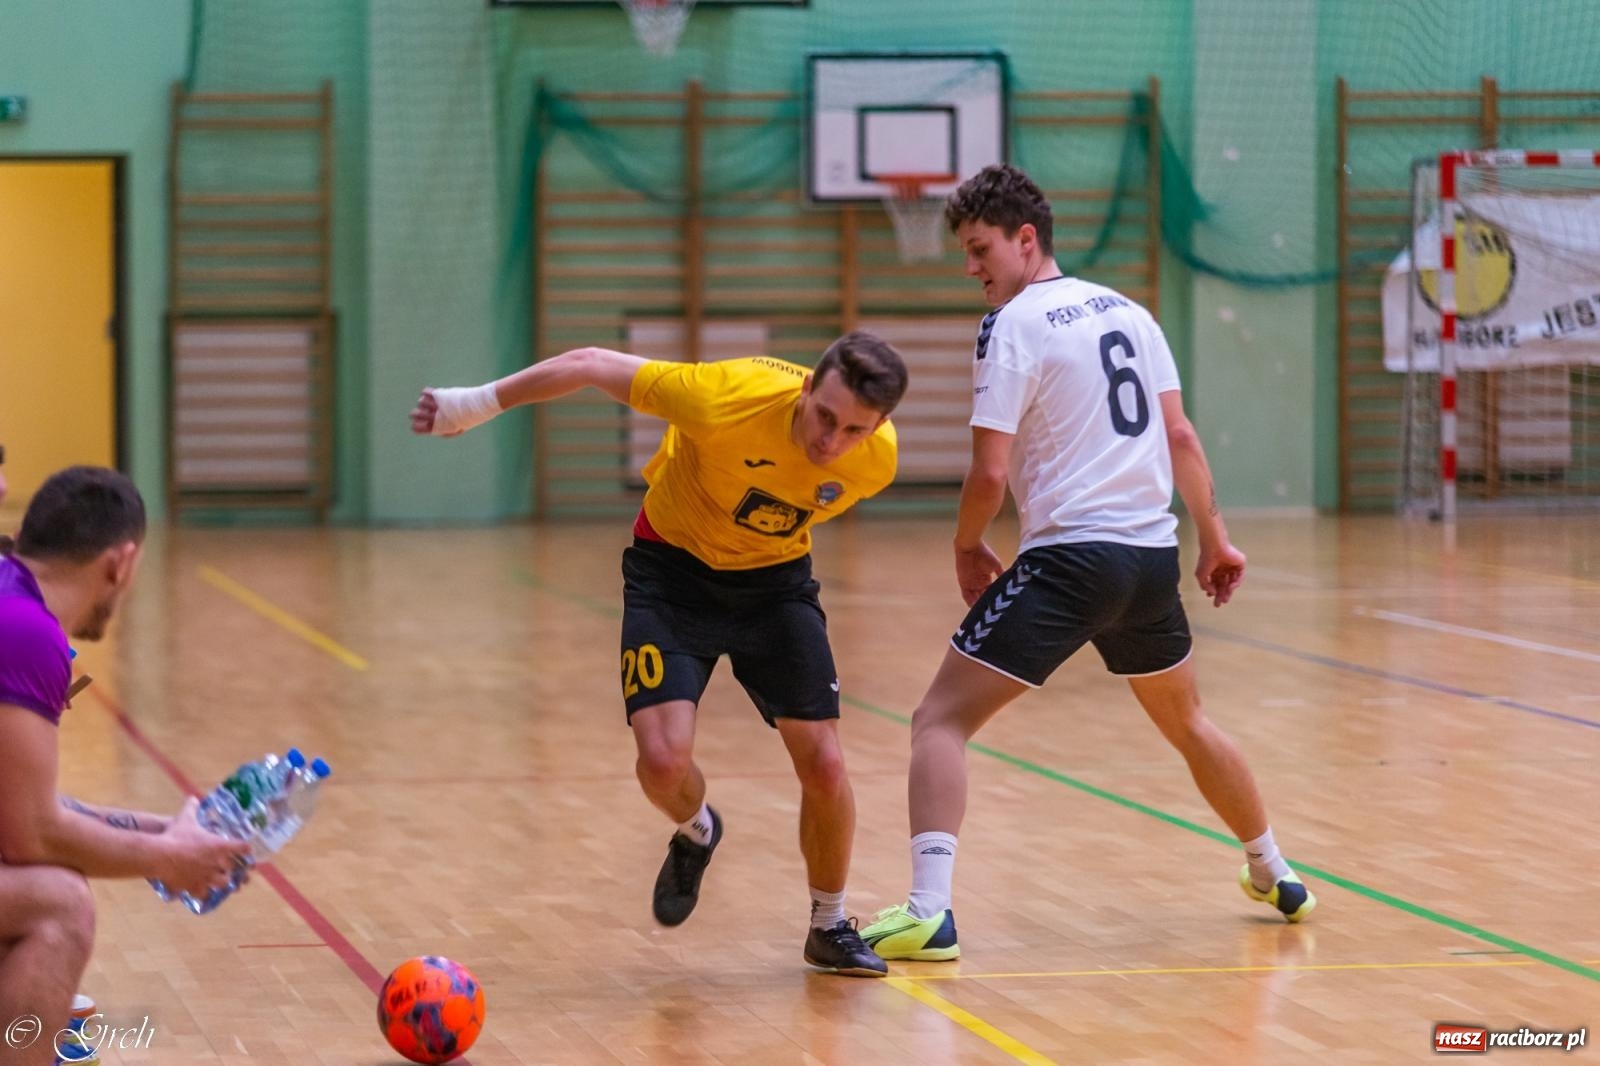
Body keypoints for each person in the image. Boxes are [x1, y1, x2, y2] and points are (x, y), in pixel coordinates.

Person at [860, 164, 1316, 963]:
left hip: (1071, 558)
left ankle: (930, 911)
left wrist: (967, 544)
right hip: (1148, 560)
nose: (972, 268)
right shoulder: (1132, 313)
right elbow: (1179, 437)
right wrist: (1215, 539)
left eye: (979, 249)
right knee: (1189, 722)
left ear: (1025, 239)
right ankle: (1274, 869)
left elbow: (990, 473)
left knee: (938, 720)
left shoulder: (1012, 325)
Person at [411, 332, 908, 977]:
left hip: (774, 589)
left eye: (855, 431)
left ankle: (829, 923)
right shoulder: (725, 396)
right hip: (671, 576)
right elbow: (588, 363)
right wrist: (471, 405)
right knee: (660, 761)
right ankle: (698, 829)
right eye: (824, 418)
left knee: (824, 760)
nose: (831, 443)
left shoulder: (876, 462)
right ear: (806, 388)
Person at [0, 466, 249, 1066]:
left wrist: (159, 831)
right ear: (121, 563)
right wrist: (170, 858)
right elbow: (30, 834)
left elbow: (17, 810)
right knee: (59, 904)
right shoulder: (25, 632)